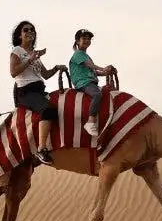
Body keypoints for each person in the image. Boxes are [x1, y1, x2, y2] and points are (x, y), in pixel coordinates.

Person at [10, 21, 66, 165]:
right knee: (48, 110)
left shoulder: (34, 54)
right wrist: (29, 59)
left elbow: (45, 74)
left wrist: (56, 68)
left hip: (39, 89)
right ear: (19, 35)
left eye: (32, 30)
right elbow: (13, 72)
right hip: (26, 91)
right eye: (26, 30)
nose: (30, 32)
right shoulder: (17, 51)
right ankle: (41, 149)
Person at [68, 29, 116, 138]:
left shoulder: (85, 55)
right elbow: (90, 66)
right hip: (84, 83)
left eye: (88, 39)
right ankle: (91, 121)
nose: (87, 40)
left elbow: (93, 71)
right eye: (84, 38)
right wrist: (104, 68)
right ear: (77, 41)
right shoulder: (78, 54)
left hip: (90, 81)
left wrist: (106, 72)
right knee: (97, 94)